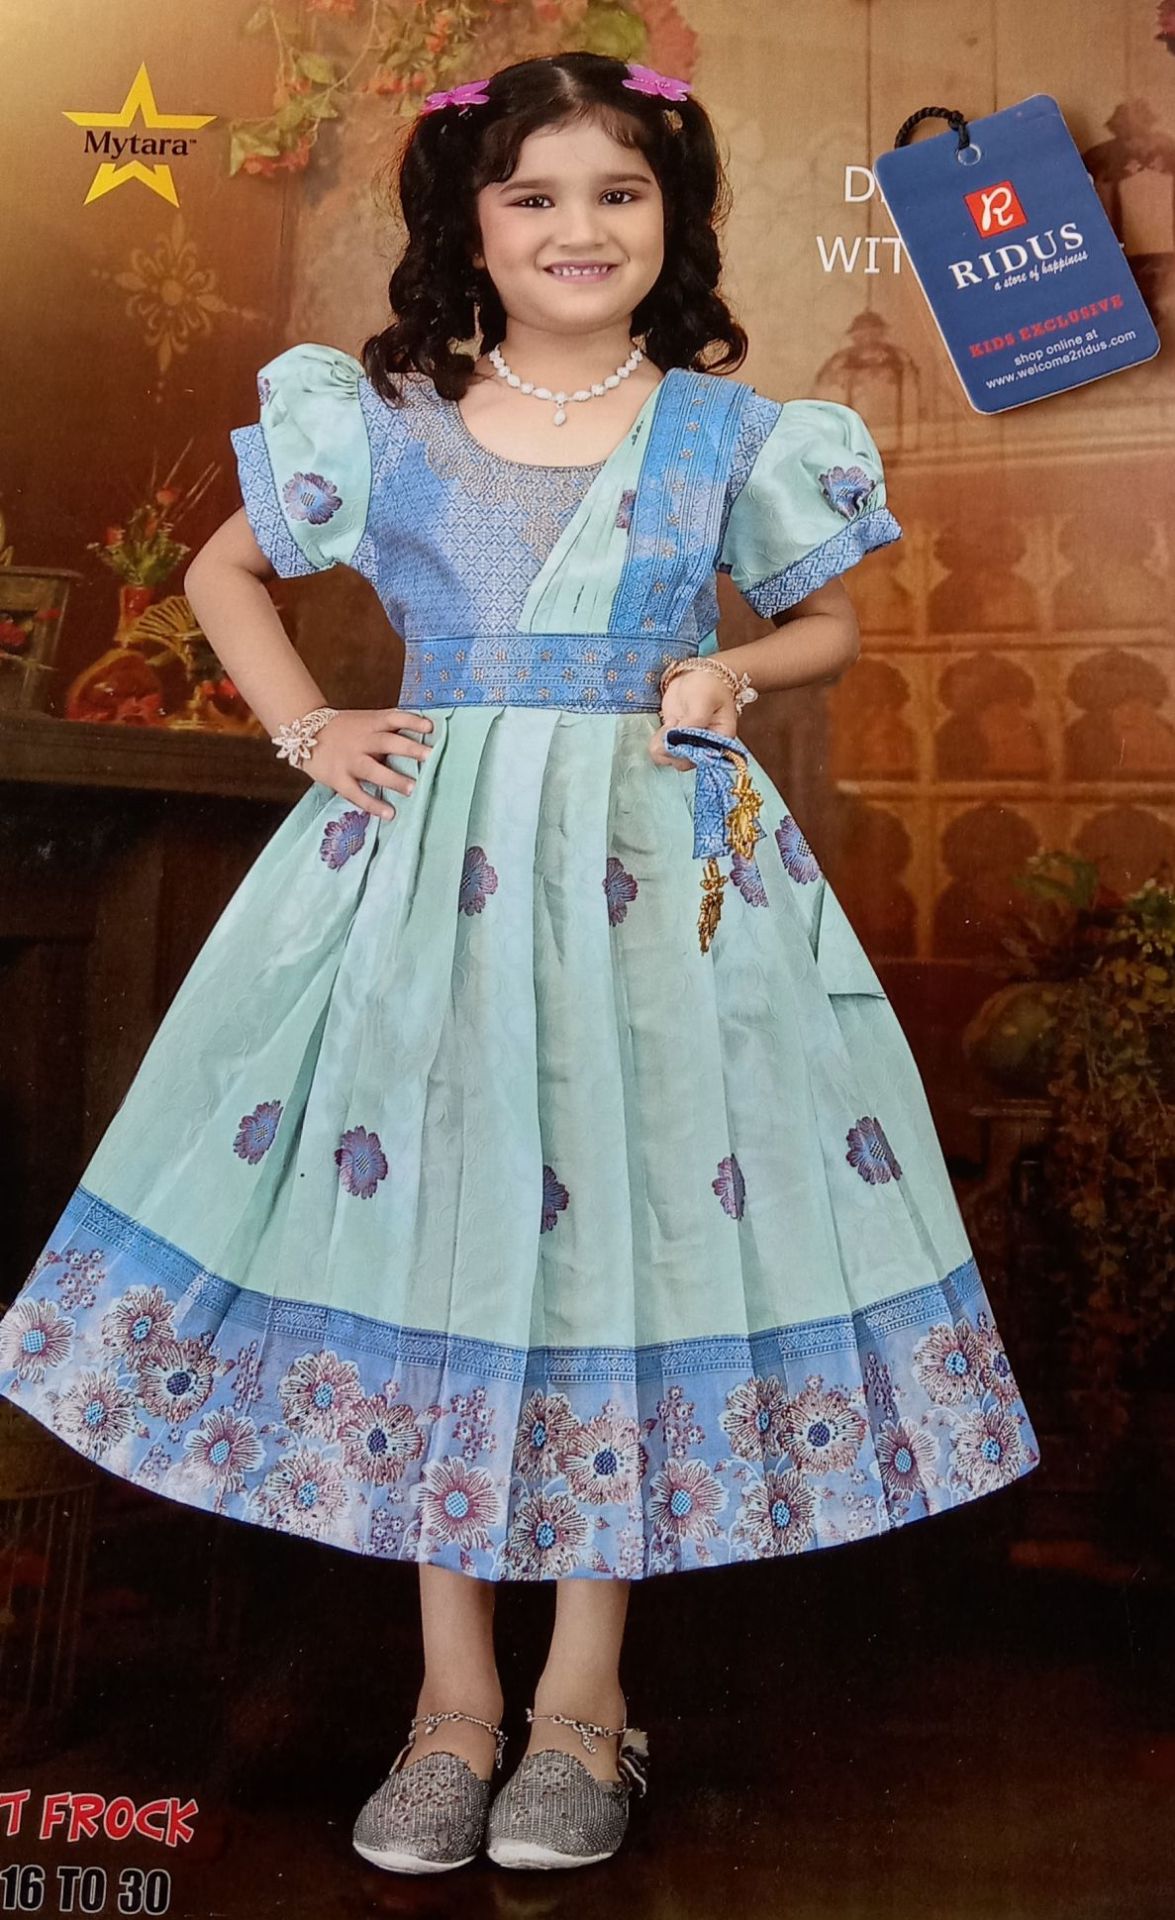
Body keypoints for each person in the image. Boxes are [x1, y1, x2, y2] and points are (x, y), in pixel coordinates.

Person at [0, 49, 1041, 1878]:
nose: (580, 227)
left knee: (621, 1238)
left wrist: (730, 670)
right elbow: (228, 575)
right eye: (535, 195)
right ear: (469, 229)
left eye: (619, 193)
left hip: (652, 881)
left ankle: (582, 1702)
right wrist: (311, 729)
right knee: (446, 1229)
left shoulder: (729, 433)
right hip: (433, 883)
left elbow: (831, 623)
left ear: (671, 220)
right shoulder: (389, 419)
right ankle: (450, 1704)